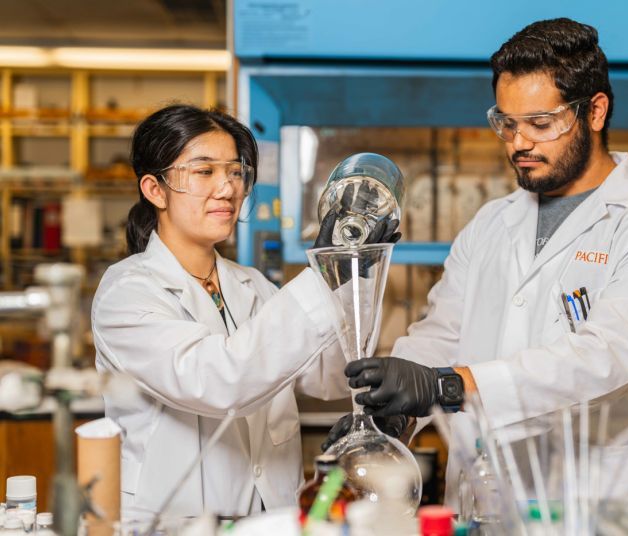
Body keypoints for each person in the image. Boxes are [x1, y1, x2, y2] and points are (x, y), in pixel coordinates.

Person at [325, 18, 628, 502]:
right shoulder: (491, 223)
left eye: (540, 124)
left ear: (594, 111)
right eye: (506, 123)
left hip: (601, 503)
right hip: (489, 497)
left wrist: (447, 386)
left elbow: (605, 359)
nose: (518, 143)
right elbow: (443, 336)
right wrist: (396, 414)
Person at [92, 105, 398, 520]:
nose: (228, 189)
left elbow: (328, 377)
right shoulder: (127, 293)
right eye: (204, 172)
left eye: (235, 172)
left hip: (270, 517)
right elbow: (218, 380)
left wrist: (352, 274)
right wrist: (320, 276)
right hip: (174, 523)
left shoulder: (251, 284)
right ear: (155, 189)